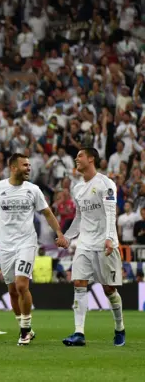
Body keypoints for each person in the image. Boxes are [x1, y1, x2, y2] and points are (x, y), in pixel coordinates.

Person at [0, 153, 68, 345]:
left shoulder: (33, 190)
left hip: (26, 243)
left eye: (29, 165)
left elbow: (47, 212)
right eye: (25, 165)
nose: (29, 168)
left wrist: (59, 234)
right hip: (6, 246)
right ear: (13, 168)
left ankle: (25, 330)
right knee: (12, 290)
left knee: (22, 285)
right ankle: (24, 326)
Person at [61, 148, 126, 347]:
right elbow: (80, 218)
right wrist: (67, 236)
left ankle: (119, 327)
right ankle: (79, 332)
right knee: (78, 283)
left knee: (109, 289)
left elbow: (110, 213)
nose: (76, 159)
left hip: (104, 242)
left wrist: (109, 238)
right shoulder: (78, 188)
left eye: (80, 156)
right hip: (84, 244)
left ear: (91, 159)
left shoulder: (106, 183)